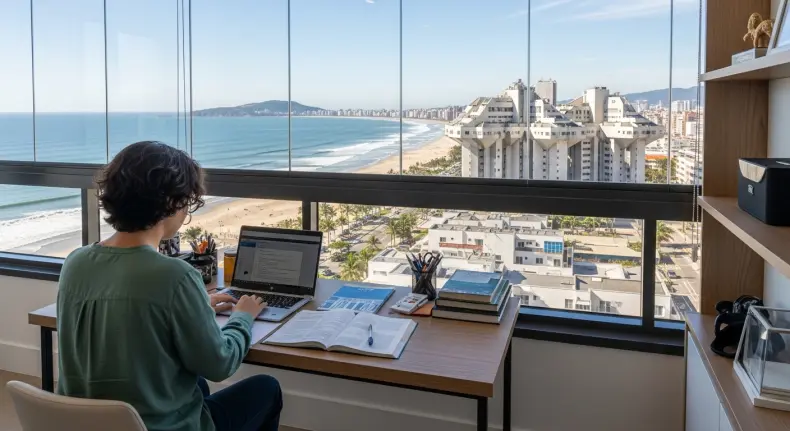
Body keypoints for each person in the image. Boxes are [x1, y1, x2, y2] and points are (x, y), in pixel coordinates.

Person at [56, 141, 283, 431]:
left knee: (196, 384)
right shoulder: (175, 275)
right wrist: (243, 317)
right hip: (159, 426)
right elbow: (221, 363)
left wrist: (198, 306)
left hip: (86, 424)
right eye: (187, 202)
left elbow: (135, 318)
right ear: (172, 203)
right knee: (266, 388)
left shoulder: (76, 263)